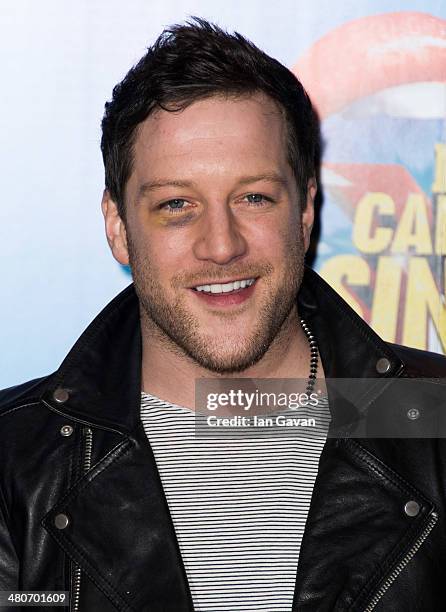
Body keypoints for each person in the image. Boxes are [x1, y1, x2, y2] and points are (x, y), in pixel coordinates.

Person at [0, 18, 445, 612]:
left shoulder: (433, 422)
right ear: (117, 227)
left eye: (254, 197)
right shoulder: (14, 460)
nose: (221, 245)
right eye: (176, 205)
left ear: (307, 209)